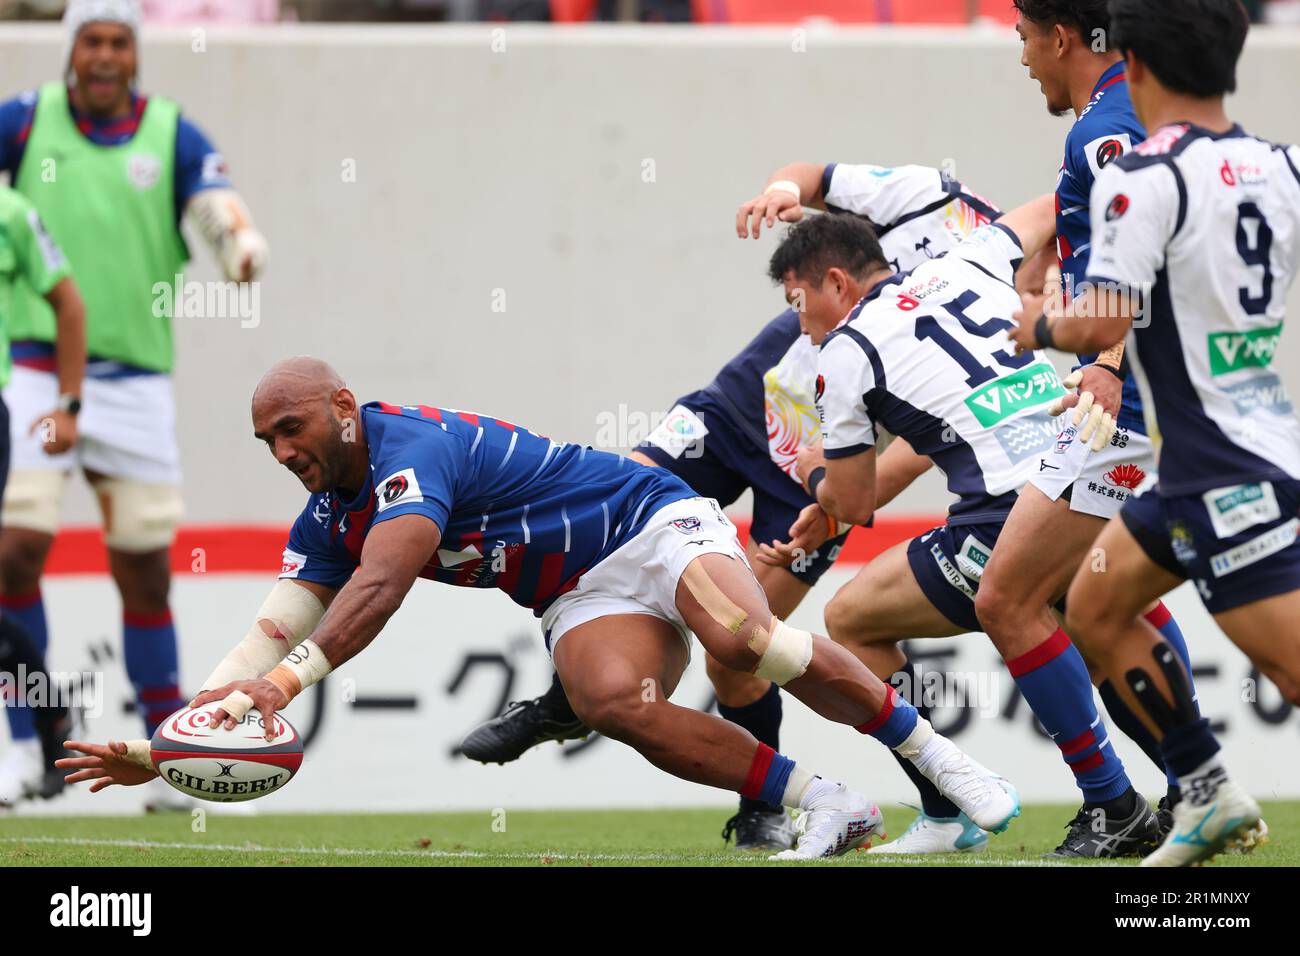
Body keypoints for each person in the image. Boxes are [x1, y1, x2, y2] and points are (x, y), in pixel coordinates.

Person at [57, 357, 1021, 860]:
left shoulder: (408, 453)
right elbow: (269, 631)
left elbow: (382, 586)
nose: (282, 452)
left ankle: (942, 763)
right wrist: (174, 741)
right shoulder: (324, 516)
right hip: (578, 591)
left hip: (648, 519)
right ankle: (832, 805)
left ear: (344, 406)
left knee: (744, 638)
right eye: (265, 440)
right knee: (612, 703)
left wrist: (280, 686)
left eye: (292, 428)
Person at [461, 159, 1001, 851]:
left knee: (739, 651)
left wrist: (836, 507)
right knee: (605, 504)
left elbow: (927, 440)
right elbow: (817, 176)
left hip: (815, 473)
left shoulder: (993, 298)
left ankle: (778, 805)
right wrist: (782, 190)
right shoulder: (940, 211)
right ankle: (565, 701)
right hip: (729, 414)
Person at [761, 196, 1176, 860]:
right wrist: (1056, 278)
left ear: (836, 283)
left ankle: (1068, 802)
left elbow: (856, 498)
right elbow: (1062, 200)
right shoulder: (967, 255)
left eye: (799, 303)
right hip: (1087, 452)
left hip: (1009, 504)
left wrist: (814, 474)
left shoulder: (844, 352)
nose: (801, 326)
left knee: (857, 618)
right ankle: (1191, 785)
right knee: (1106, 617)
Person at [1009, 0, 1298, 866]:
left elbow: (1101, 325)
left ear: (1130, 62)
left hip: (1221, 472)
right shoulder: (1278, 165)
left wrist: (1037, 327)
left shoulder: (1144, 175)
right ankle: (1204, 793)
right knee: (1094, 604)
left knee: (1292, 673)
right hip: (1211, 458)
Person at [0, 0, 269, 808]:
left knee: (146, 571)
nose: (107, 57)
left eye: (120, 41)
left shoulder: (173, 134)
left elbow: (214, 203)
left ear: (135, 53)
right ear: (71, 51)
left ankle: (165, 753)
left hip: (138, 377)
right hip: (34, 370)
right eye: (92, 42)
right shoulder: (22, 124)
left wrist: (237, 245)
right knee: (13, 553)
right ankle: (26, 745)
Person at [953, 0, 1202, 858]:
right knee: (1087, 602)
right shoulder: (1134, 105)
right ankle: (1184, 791)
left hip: (1124, 402)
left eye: (1023, 38)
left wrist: (1106, 357)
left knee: (1009, 597)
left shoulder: (1104, 123)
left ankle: (1126, 804)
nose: (1022, 58)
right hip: (1151, 396)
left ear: (1060, 36)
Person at [0, 183, 85, 806]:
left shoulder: (10, 211)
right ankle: (52, 714)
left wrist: (68, 404)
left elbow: (69, 301)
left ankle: (45, 722)